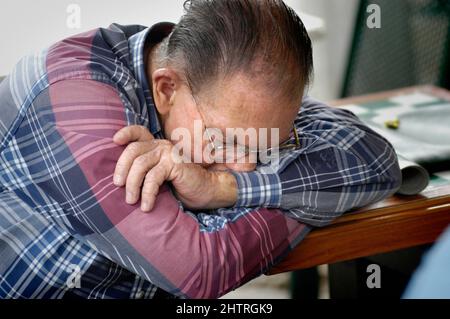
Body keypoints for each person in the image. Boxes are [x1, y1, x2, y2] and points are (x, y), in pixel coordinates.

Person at [0, 0, 401, 299]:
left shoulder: (228, 84)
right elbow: (200, 271)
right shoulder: (72, 97)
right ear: (165, 88)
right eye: (224, 140)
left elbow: (377, 160)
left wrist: (225, 190)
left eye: (265, 145)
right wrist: (314, 200)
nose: (246, 164)